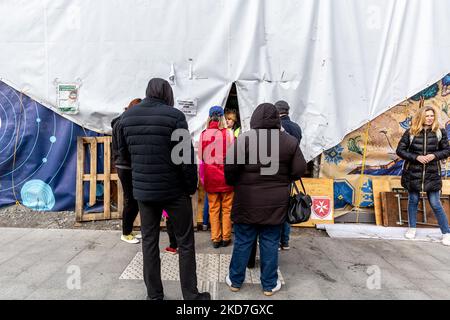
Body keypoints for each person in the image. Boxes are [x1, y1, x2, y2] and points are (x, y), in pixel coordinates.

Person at [118, 78, 210, 300]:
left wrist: (136, 188)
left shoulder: (127, 118)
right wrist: (190, 187)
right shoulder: (175, 116)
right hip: (174, 192)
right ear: (167, 93)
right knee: (185, 243)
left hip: (145, 193)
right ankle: (190, 295)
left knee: (149, 242)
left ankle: (154, 296)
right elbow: (185, 158)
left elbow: (124, 158)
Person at [224, 103, 306, 296]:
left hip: (246, 201)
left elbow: (230, 168)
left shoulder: (244, 139)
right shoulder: (289, 141)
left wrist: (236, 183)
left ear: (254, 119)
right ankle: (269, 285)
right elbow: (299, 170)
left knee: (243, 241)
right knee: (270, 242)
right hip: (276, 203)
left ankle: (235, 281)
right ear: (277, 119)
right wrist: (284, 178)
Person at [396, 106, 450, 246]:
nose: (430, 118)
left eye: (432, 115)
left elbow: (446, 150)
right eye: (427, 116)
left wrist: (434, 155)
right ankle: (412, 228)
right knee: (413, 200)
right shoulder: (411, 132)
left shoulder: (439, 132)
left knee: (435, 203)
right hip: (413, 172)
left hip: (432, 174)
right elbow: (400, 150)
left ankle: (446, 233)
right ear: (421, 117)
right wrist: (416, 157)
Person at [199, 106, 235, 248]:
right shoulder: (229, 134)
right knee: (227, 209)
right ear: (222, 118)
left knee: (213, 209)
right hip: (227, 178)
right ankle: (226, 237)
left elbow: (201, 156)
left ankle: (215, 239)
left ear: (209, 117)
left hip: (211, 178)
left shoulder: (204, 134)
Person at [111, 98, 142, 244]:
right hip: (126, 166)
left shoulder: (122, 121)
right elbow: (123, 148)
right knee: (131, 199)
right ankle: (125, 233)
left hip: (125, 165)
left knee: (134, 199)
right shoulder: (123, 123)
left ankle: (129, 230)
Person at [275, 100, 303, 250]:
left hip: (277, 172)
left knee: (277, 207)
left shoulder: (277, 127)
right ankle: (285, 241)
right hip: (290, 173)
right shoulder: (297, 128)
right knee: (288, 205)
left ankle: (276, 241)